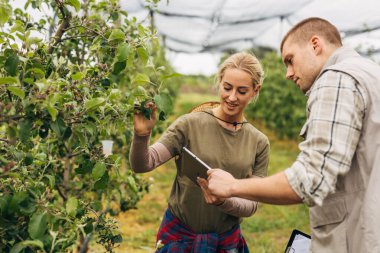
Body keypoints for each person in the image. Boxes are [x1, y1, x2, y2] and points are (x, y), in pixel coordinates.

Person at [205, 17, 380, 253]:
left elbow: (310, 179)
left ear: (315, 45)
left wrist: (233, 186)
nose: (288, 73)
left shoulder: (336, 79)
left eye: (290, 60)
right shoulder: (371, 74)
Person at [129, 52, 270, 252]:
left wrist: (224, 201)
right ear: (220, 81)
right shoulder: (189, 124)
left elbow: (252, 204)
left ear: (255, 90)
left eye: (242, 91)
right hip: (180, 237)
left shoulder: (258, 142)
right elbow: (143, 164)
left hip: (225, 242)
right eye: (227, 87)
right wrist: (141, 135)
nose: (232, 97)